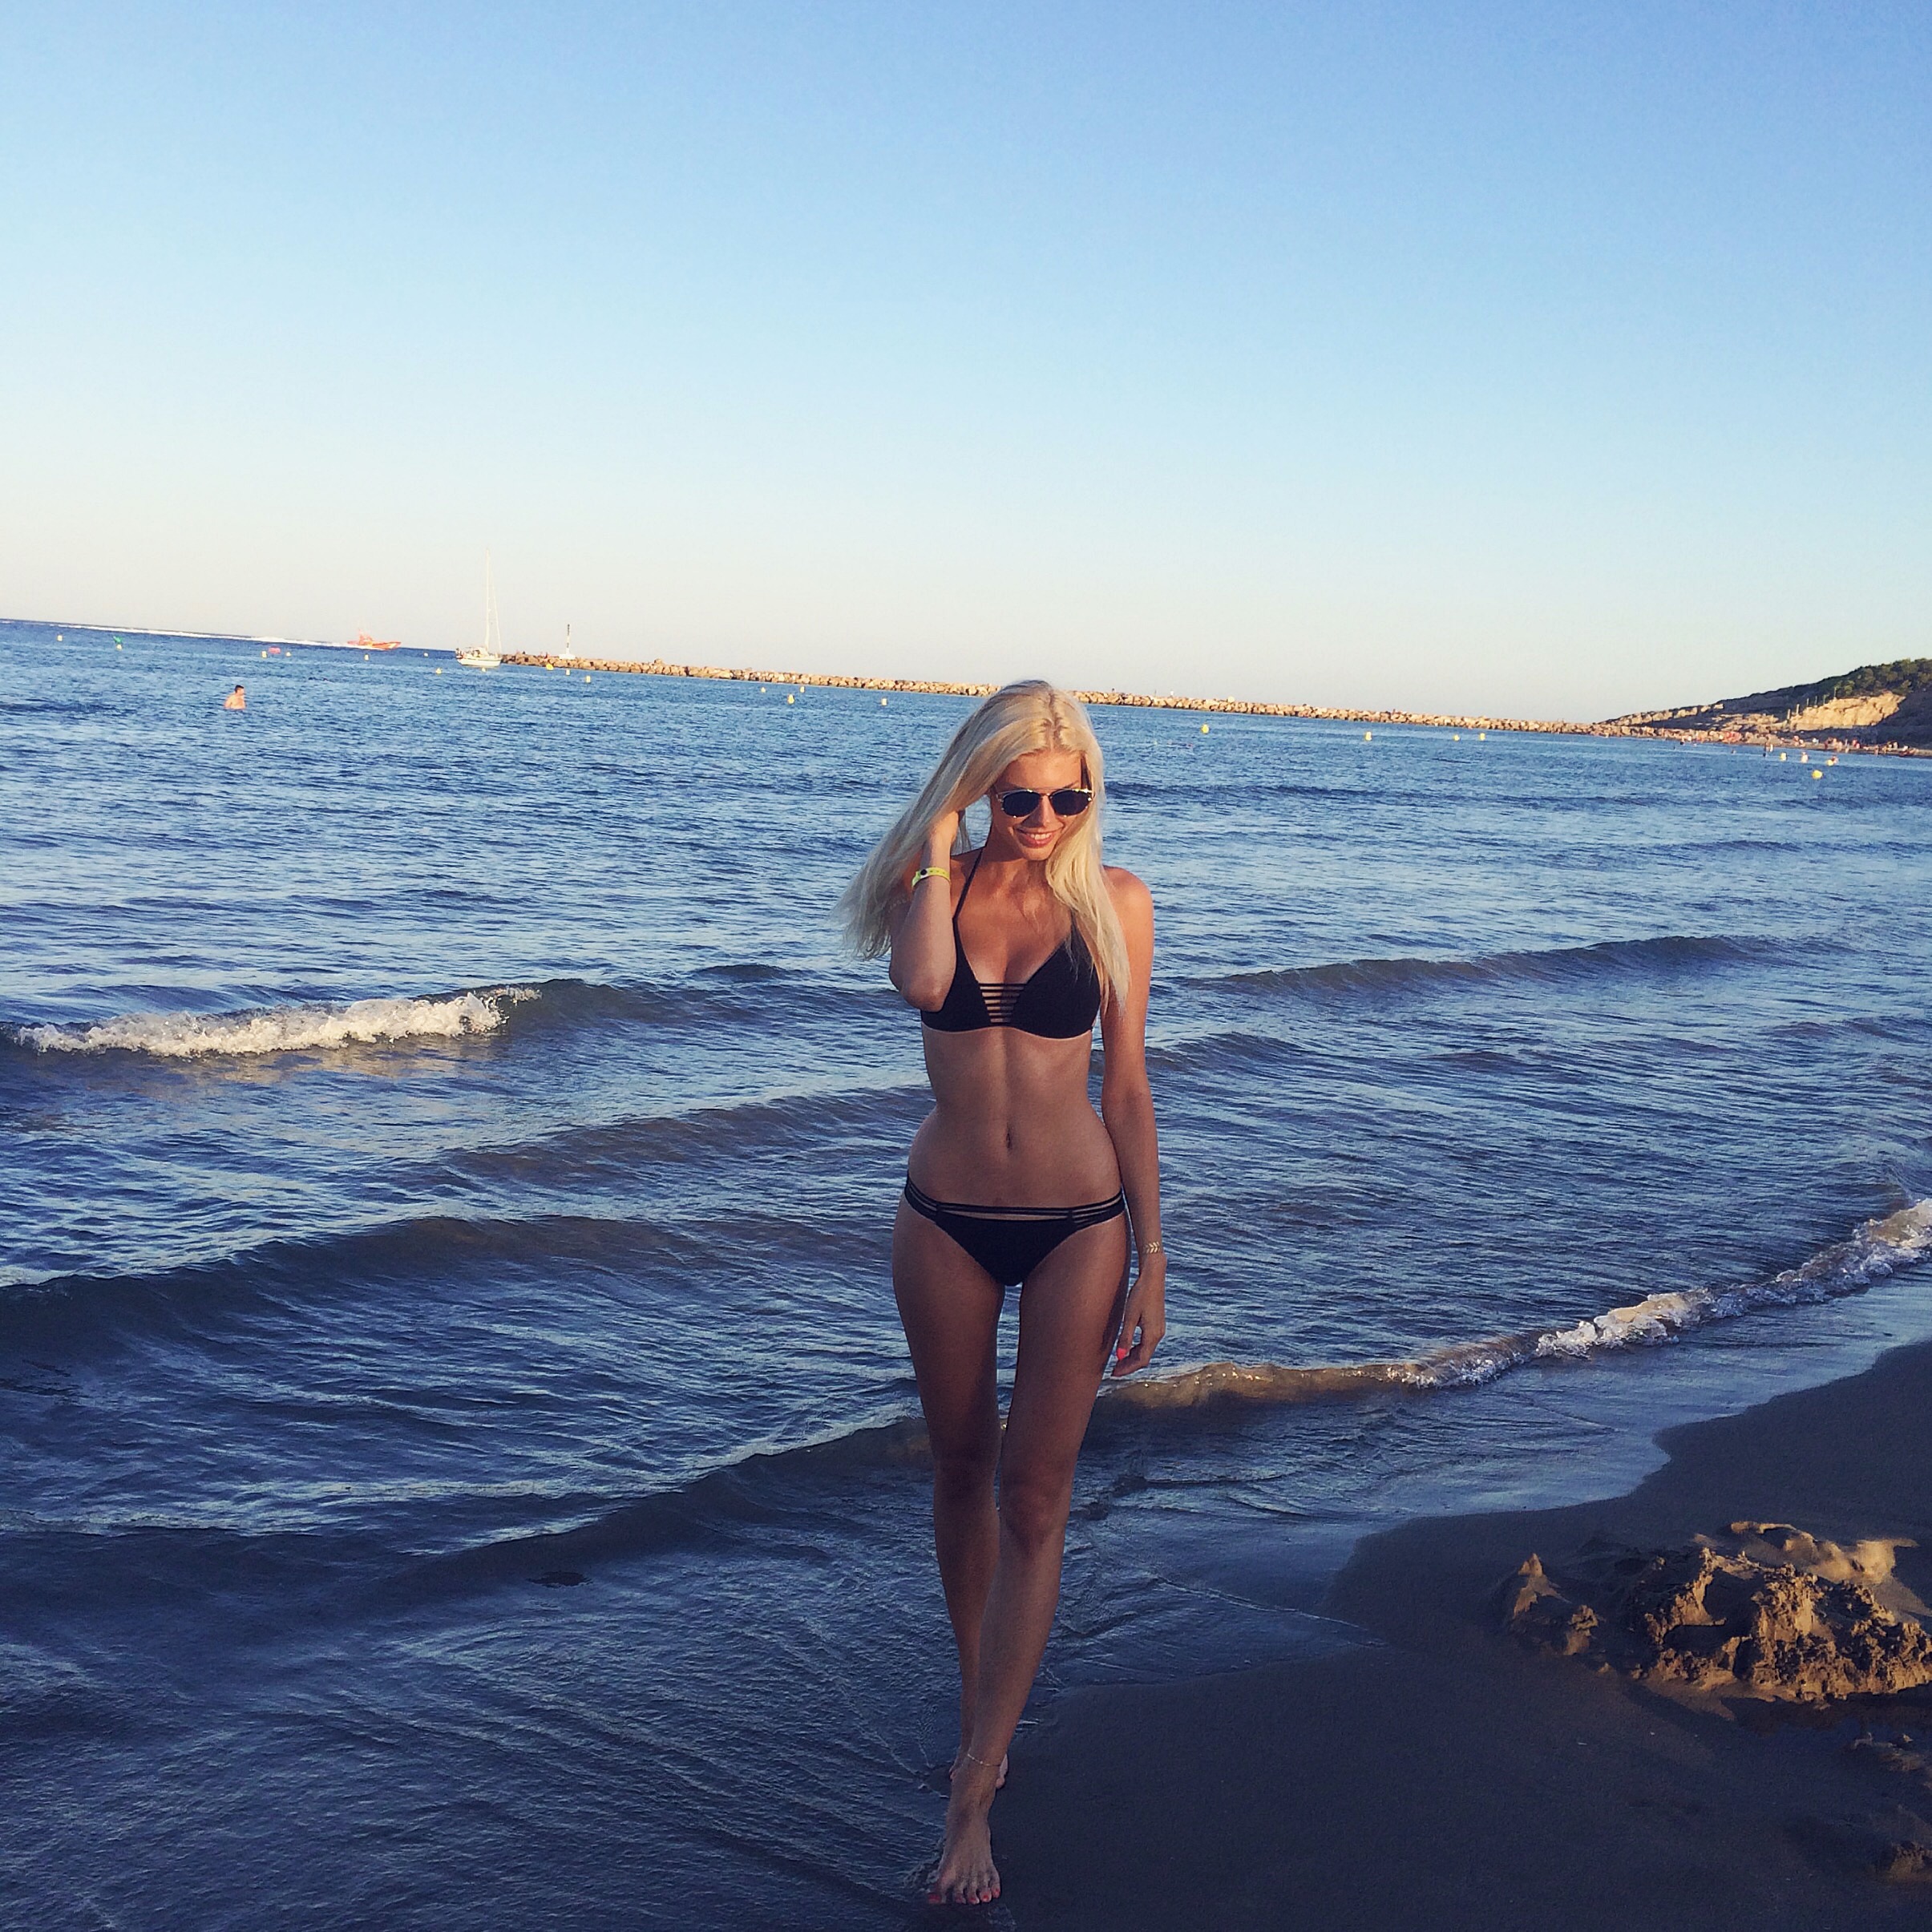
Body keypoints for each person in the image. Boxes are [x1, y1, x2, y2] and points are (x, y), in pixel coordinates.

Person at [839, 681, 1166, 1906]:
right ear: (980, 783)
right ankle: (984, 1700)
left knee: (1034, 1492)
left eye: (1068, 795)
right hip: (944, 1218)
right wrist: (938, 839)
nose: (1044, 817)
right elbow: (924, 985)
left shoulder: (1115, 902)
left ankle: (973, 1785)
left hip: (1080, 1224)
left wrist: (1152, 1254)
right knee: (959, 1467)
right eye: (1020, 795)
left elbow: (1124, 1087)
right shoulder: (929, 887)